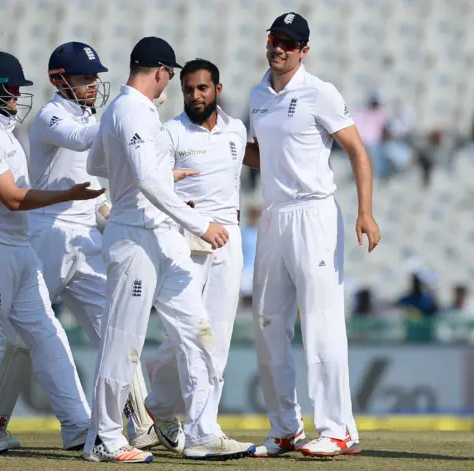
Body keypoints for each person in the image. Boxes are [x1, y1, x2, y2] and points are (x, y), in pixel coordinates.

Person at [82, 36, 254, 463]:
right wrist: (200, 222)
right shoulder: (129, 110)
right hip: (136, 237)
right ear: (160, 72)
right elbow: (143, 179)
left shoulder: (133, 113)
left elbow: (99, 166)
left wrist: (160, 175)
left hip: (160, 234)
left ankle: (202, 433)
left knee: (199, 333)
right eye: (172, 76)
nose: (171, 83)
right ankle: (103, 438)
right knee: (124, 342)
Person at [0, 42, 159, 451]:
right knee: (25, 335)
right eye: (84, 78)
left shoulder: (94, 116)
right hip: (47, 232)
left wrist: (114, 221)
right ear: (58, 79)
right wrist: (128, 113)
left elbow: (97, 194)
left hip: (85, 236)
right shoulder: (49, 116)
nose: (93, 85)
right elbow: (80, 140)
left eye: (95, 77)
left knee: (115, 328)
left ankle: (142, 423)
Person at [0, 50, 105, 454]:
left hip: (18, 250)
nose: (18, 95)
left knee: (48, 335)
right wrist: (68, 194)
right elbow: (12, 199)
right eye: (12, 89)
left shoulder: (7, 135)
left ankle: (76, 426)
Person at [245, 13, 381, 457]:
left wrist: (366, 212)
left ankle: (338, 428)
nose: (279, 48)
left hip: (315, 214)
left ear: (304, 50)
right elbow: (266, 157)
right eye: (274, 39)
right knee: (267, 324)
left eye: (289, 42)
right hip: (273, 214)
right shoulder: (257, 94)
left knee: (320, 323)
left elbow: (357, 151)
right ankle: (285, 427)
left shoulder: (320, 92)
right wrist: (217, 147)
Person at [146, 58, 247, 435]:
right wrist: (190, 217)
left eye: (202, 88)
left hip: (228, 238)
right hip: (185, 236)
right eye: (188, 89)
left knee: (215, 333)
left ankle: (165, 408)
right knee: (190, 332)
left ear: (217, 90)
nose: (195, 95)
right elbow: (155, 186)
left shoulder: (235, 130)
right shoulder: (170, 132)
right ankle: (200, 426)